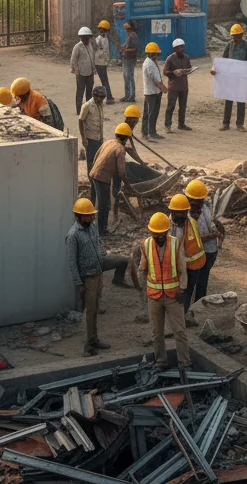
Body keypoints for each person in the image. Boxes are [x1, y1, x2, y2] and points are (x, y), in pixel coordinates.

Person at [67, 197, 131, 356]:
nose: (92, 217)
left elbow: (98, 244)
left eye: (92, 215)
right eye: (88, 216)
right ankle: (88, 346)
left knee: (95, 309)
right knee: (90, 311)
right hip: (87, 277)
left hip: (98, 273)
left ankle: (94, 339)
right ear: (79, 216)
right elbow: (72, 262)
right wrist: (79, 284)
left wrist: (102, 253)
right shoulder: (73, 235)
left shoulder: (92, 227)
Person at [137, 212, 190, 369]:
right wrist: (144, 291)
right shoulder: (145, 245)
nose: (158, 237)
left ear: (167, 231)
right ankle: (161, 361)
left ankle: (185, 363)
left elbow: (183, 268)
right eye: (155, 234)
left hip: (174, 295)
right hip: (154, 297)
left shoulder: (175, 244)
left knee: (179, 331)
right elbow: (143, 269)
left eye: (161, 235)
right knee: (156, 333)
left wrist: (182, 288)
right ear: (151, 232)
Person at [167, 193, 206, 325]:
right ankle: (175, 316)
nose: (182, 216)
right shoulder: (165, 225)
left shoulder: (191, 223)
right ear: (172, 211)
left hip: (190, 265)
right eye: (178, 213)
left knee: (187, 290)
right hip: (172, 265)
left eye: (184, 213)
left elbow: (196, 245)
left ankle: (183, 316)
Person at [185, 179, 223, 306]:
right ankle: (187, 308)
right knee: (190, 282)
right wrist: (213, 235)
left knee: (202, 280)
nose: (198, 204)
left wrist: (216, 233)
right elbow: (190, 239)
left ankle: (198, 306)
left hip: (209, 250)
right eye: (195, 202)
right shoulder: (183, 215)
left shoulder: (205, 206)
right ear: (188, 199)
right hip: (194, 253)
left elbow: (211, 222)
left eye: (200, 201)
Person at [89, 123, 131, 235]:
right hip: (102, 178)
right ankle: (101, 231)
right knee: (104, 205)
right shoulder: (120, 149)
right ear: (126, 138)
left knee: (101, 203)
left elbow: (96, 157)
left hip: (94, 173)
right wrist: (127, 183)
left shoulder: (108, 142)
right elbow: (121, 171)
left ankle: (97, 227)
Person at [211, 23, 247, 131]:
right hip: (230, 78)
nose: (236, 38)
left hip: (241, 78)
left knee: (241, 101)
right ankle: (226, 123)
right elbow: (223, 61)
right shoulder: (229, 45)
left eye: (237, 36)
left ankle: (240, 124)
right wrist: (215, 69)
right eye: (234, 36)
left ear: (242, 35)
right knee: (228, 100)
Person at [79, 86, 108, 202]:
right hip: (90, 139)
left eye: (102, 97)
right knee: (91, 165)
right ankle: (92, 190)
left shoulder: (100, 105)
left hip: (98, 138)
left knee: (97, 163)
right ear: (94, 96)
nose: (100, 100)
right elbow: (81, 121)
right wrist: (84, 138)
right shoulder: (87, 106)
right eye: (99, 97)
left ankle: (95, 190)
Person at [164, 38, 192, 132]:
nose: (181, 49)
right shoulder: (170, 58)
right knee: (171, 106)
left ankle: (181, 124)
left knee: (183, 106)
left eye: (182, 47)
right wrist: (173, 72)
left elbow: (189, 69)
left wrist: (186, 71)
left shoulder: (186, 58)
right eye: (179, 47)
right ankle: (168, 125)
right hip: (173, 87)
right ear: (175, 49)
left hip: (184, 86)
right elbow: (165, 72)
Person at [142, 42, 167, 139]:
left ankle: (146, 132)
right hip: (152, 93)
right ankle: (151, 132)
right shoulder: (149, 64)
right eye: (156, 54)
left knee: (149, 113)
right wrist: (163, 88)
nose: (157, 55)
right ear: (152, 54)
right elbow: (155, 80)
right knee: (151, 113)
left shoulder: (151, 62)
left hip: (154, 92)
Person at [71, 27, 97, 113]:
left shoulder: (90, 46)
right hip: (81, 73)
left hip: (90, 72)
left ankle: (88, 108)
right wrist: (76, 71)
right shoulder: (77, 47)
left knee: (89, 91)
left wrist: (93, 70)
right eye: (84, 38)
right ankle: (79, 110)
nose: (86, 39)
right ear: (81, 38)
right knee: (80, 91)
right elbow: (73, 60)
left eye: (87, 38)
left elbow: (92, 58)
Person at [94, 20, 117, 103]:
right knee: (105, 81)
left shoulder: (101, 39)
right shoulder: (102, 39)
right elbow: (102, 51)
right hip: (101, 63)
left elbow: (101, 51)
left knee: (104, 81)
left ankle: (109, 97)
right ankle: (109, 97)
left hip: (101, 63)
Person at [119, 21, 140, 102]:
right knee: (126, 77)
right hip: (127, 58)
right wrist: (123, 47)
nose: (126, 30)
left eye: (127, 28)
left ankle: (131, 96)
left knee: (129, 77)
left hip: (130, 59)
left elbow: (135, 48)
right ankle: (128, 95)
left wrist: (125, 49)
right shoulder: (130, 35)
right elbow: (127, 45)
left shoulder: (133, 35)